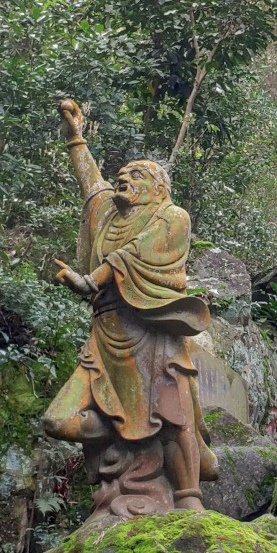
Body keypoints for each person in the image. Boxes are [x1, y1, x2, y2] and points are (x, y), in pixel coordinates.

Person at [42, 98, 216, 512]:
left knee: (173, 418)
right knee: (57, 420)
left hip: (153, 327)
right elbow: (90, 182)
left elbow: (140, 252)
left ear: (158, 188)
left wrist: (92, 280)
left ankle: (189, 499)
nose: (123, 179)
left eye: (135, 175)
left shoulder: (172, 216)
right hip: (105, 337)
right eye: (121, 175)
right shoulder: (107, 216)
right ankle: (124, 437)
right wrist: (75, 137)